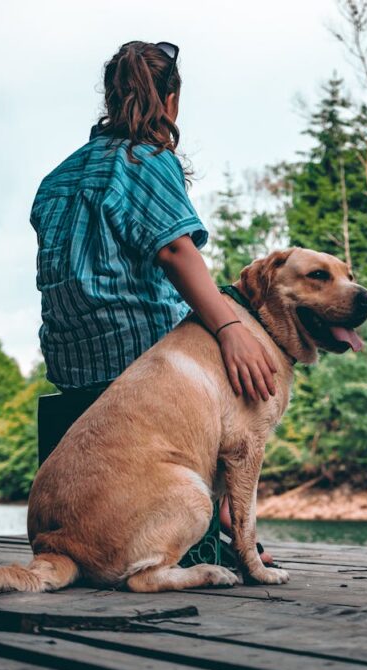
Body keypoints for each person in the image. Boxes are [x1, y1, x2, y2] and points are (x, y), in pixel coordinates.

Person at [30, 40, 273, 564]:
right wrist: (231, 329)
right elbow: (175, 250)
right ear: (172, 100)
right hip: (138, 365)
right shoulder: (147, 159)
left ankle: (220, 510)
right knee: (251, 365)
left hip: (73, 371)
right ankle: (228, 515)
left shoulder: (57, 179)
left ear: (110, 98)